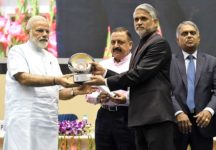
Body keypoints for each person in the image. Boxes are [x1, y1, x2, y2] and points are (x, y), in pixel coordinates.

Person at [85, 3, 175, 150]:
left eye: (143, 18)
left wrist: (106, 81)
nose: (139, 22)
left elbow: (138, 74)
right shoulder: (143, 44)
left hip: (155, 117)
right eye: (136, 19)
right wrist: (106, 72)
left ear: (155, 22)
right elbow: (135, 77)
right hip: (141, 118)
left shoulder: (159, 43)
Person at [3, 15, 94, 150]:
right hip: (24, 120)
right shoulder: (18, 51)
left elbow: (59, 92)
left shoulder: (51, 57)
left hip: (47, 121)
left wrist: (76, 91)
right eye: (40, 30)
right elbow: (23, 78)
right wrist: (56, 80)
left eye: (47, 31)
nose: (45, 34)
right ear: (28, 32)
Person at [170, 21, 216, 150]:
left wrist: (209, 111)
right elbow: (165, 92)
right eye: (184, 33)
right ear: (177, 39)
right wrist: (178, 112)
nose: (189, 36)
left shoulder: (212, 62)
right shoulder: (169, 62)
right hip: (176, 125)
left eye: (193, 33)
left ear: (199, 37)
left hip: (204, 124)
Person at [86, 27, 136, 150]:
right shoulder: (102, 65)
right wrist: (98, 98)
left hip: (127, 116)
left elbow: (142, 92)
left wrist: (126, 99)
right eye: (113, 42)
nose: (116, 45)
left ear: (130, 45)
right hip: (104, 116)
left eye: (120, 42)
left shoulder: (136, 65)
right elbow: (88, 93)